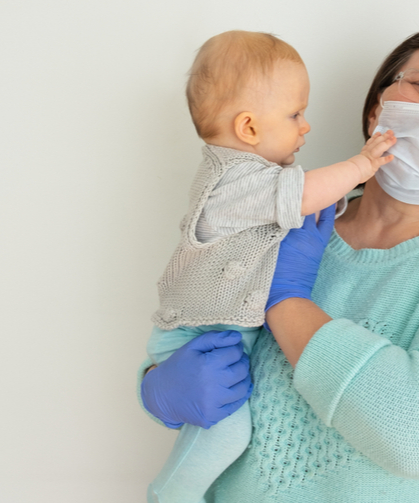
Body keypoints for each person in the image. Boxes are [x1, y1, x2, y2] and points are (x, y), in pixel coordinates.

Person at [139, 22, 419, 503]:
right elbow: (201, 312)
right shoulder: (283, 219)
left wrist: (287, 301)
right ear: (378, 110)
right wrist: (157, 389)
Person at [141, 30, 395, 503]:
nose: (306, 127)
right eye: (295, 114)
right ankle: (168, 496)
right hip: (196, 337)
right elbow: (302, 194)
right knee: (226, 434)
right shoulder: (233, 180)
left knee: (228, 434)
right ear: (249, 129)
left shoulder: (254, 182)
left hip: (218, 335)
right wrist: (362, 166)